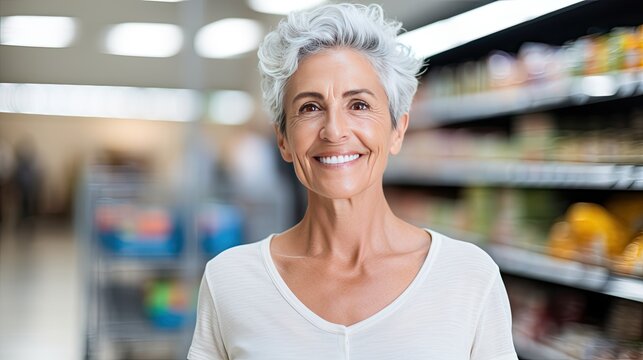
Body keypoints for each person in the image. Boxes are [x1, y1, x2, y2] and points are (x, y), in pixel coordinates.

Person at [188, 3, 517, 359]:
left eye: (358, 105)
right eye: (310, 108)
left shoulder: (468, 277)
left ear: (397, 130)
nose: (334, 131)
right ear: (283, 139)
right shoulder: (231, 282)